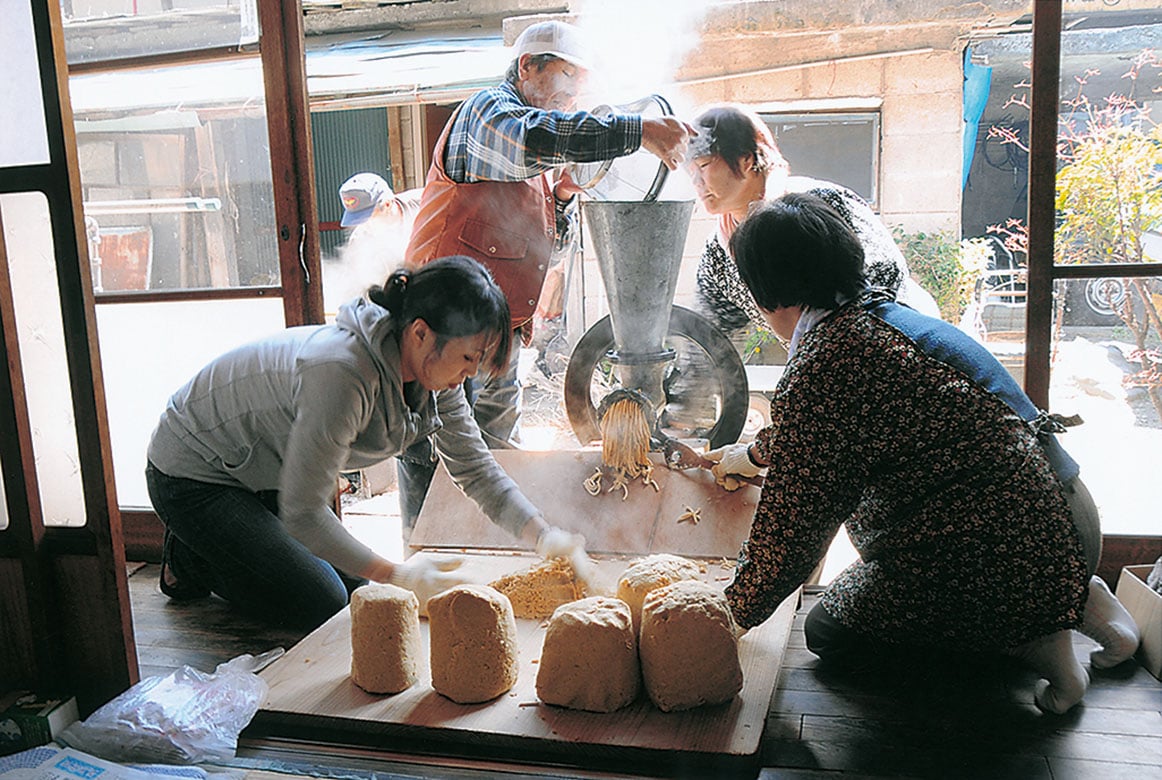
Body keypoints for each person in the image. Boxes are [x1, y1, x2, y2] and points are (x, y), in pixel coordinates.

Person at [710, 193, 1140, 714]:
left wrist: (728, 615)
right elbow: (827, 431)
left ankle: (1033, 642)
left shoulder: (826, 362)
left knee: (829, 632)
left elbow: (792, 530)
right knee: (1022, 562)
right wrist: (753, 456)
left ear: (771, 292)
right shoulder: (885, 320)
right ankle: (1088, 603)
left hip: (1002, 559)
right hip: (1070, 525)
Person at [146, 256, 586, 631]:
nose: (471, 374)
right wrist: (397, 573)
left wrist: (542, 534)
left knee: (359, 591)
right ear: (420, 333)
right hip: (194, 475)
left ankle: (238, 536)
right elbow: (303, 513)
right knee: (322, 602)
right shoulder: (341, 372)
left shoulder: (437, 376)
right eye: (469, 357)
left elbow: (474, 467)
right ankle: (190, 558)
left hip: (264, 473)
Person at [398, 19, 696, 533]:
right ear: (527, 67)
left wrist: (559, 197)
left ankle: (487, 558)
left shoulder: (537, 164)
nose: (573, 93)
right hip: (440, 330)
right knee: (434, 452)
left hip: (500, 336)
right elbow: (531, 138)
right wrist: (640, 131)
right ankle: (424, 560)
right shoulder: (487, 113)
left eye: (580, 83)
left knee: (496, 454)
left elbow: (545, 249)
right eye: (565, 76)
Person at [683, 103, 940, 344]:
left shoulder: (821, 204)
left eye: (703, 165)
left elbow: (886, 277)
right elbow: (708, 337)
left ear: (746, 160)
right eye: (690, 171)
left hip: (907, 347)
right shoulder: (718, 253)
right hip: (830, 367)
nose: (696, 181)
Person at [323, 173, 424, 315]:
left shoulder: (424, 203)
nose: (364, 226)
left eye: (368, 218)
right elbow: (359, 285)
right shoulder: (360, 238)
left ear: (387, 205)